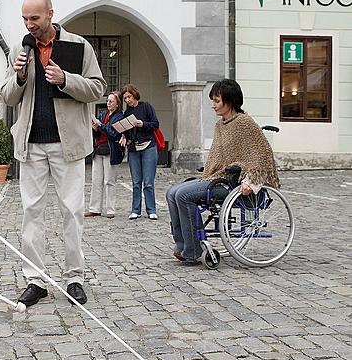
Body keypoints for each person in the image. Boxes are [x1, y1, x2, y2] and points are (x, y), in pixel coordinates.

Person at [1, 0, 105, 307]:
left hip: (67, 144)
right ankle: (35, 280)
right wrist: (19, 77)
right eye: (24, 19)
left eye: (35, 18)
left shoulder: (78, 46)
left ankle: (75, 278)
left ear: (50, 14)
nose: (29, 25)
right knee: (31, 213)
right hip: (31, 143)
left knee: (71, 212)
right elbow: (7, 96)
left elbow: (98, 88)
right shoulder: (20, 49)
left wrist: (66, 80)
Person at [166, 79, 279, 265]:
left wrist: (250, 181)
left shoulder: (244, 123)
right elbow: (217, 159)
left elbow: (262, 156)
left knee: (184, 195)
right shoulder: (220, 125)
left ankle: (193, 251)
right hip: (217, 177)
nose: (213, 106)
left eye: (217, 101)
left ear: (230, 101)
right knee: (172, 192)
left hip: (234, 184)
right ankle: (182, 244)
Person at [119, 84, 160, 220]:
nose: (127, 100)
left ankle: (151, 209)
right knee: (136, 182)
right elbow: (126, 130)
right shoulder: (127, 113)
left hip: (148, 147)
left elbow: (155, 124)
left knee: (148, 182)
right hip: (133, 149)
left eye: (129, 97)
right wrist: (124, 134)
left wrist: (142, 124)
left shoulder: (146, 106)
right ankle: (135, 210)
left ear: (134, 94)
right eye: (125, 99)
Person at [85, 91, 124, 218]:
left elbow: (114, 135)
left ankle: (110, 209)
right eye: (107, 101)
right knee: (96, 180)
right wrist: (95, 129)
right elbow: (97, 134)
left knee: (109, 181)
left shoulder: (119, 117)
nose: (108, 103)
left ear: (117, 104)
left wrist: (102, 126)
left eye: (111, 101)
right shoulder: (102, 114)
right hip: (99, 150)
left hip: (111, 151)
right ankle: (94, 208)